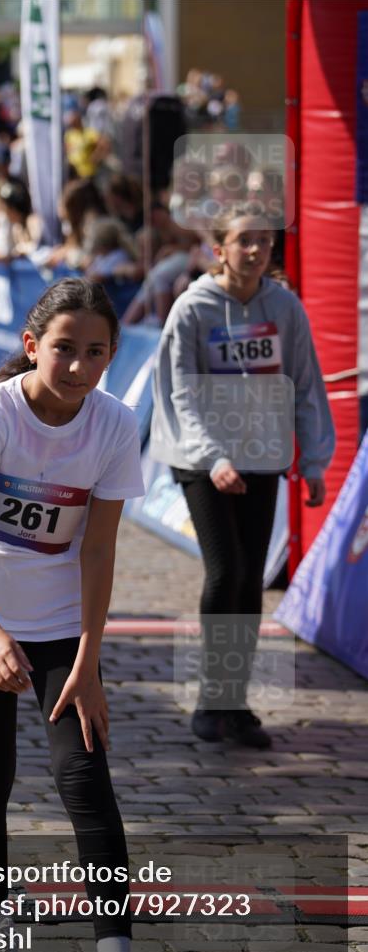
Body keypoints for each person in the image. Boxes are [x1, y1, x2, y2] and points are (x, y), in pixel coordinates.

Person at [0, 278, 160, 952]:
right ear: (32, 346)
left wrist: (89, 660)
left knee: (83, 777)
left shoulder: (115, 425)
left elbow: (98, 551)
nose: (78, 367)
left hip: (62, 622)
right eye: (63, 349)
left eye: (96, 353)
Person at [150, 204, 335, 747]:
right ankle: (211, 701)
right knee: (225, 571)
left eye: (265, 242)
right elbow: (181, 392)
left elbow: (305, 383)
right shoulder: (192, 309)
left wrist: (315, 460)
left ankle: (237, 700)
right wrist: (213, 458)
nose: (256, 251)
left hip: (260, 456)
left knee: (251, 579)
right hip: (200, 458)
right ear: (219, 248)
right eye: (244, 240)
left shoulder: (285, 308)